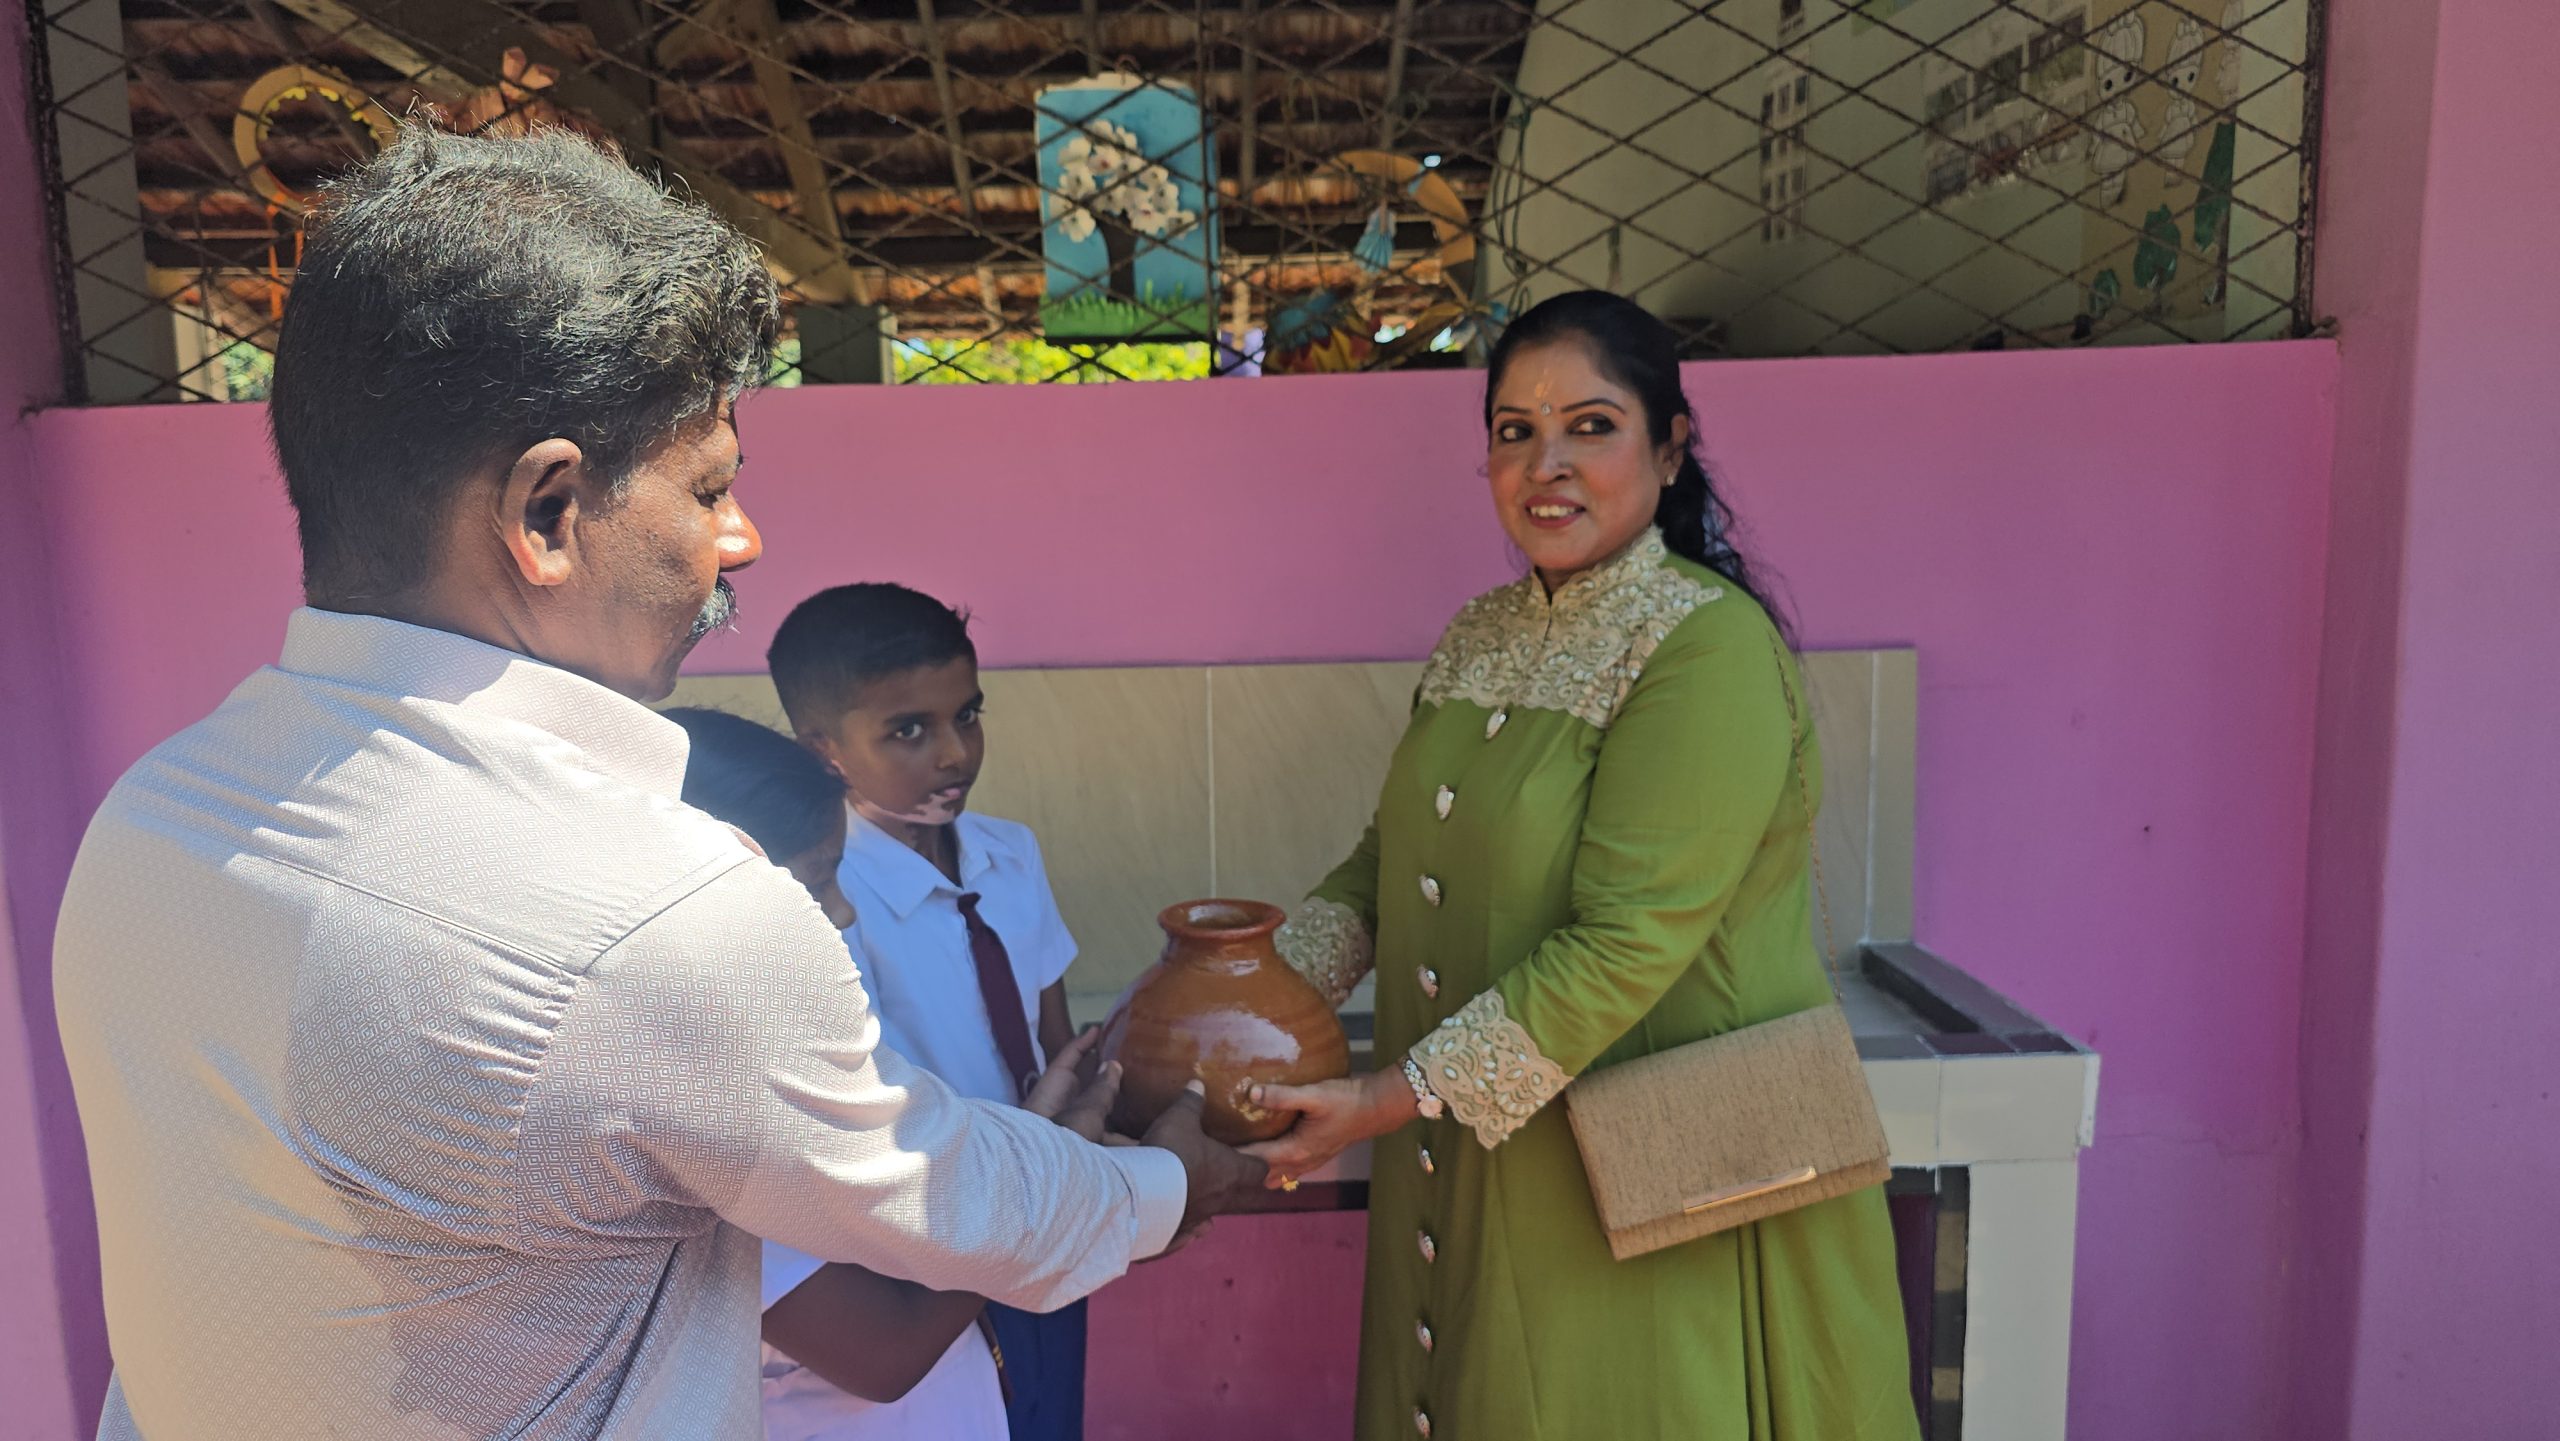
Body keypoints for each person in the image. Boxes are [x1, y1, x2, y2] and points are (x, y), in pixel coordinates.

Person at [49, 125, 1260, 1441]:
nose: (741, 538)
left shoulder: (154, 822)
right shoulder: (648, 916)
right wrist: (1166, 1185)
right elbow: (952, 1198)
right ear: (548, 515)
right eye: (709, 485)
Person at [1242, 290, 1920, 1440]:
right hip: (1473, 1154)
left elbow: (1628, 940)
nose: (1544, 465)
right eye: (1514, 431)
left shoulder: (1705, 645)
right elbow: (1383, 868)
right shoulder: (1482, 632)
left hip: (1656, 1180)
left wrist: (1384, 1097)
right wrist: (1251, 994)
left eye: (1590, 426)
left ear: (1669, 446)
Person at [665, 704, 1106, 1441]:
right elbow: (885, 1351)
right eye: (816, 884)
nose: (843, 913)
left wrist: (1034, 1147)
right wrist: (1042, 1166)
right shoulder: (700, 1103)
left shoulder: (790, 1044)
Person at [764, 584, 1091, 1441]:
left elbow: (1054, 1041)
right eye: (908, 729)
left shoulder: (1010, 853)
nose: (954, 751)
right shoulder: (826, 896)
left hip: (1044, 1222)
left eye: (967, 714)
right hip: (931, 1258)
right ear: (823, 750)